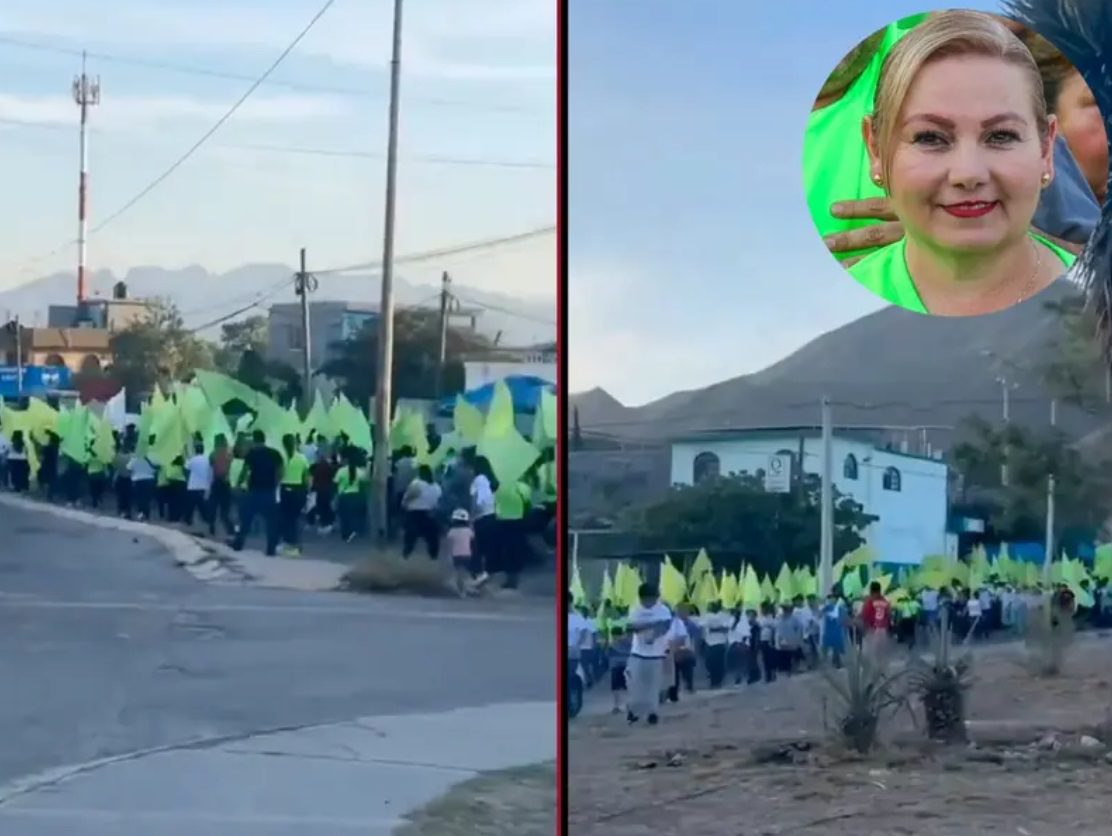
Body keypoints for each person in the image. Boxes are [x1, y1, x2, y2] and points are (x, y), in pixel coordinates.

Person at [809, 12, 1098, 271]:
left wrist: (999, 239)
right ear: (873, 145)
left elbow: (1098, 269)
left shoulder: (963, 64)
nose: (967, 173)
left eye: (999, 136)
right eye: (929, 137)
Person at [626, 582, 672, 726]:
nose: (647, 603)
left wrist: (654, 635)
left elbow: (665, 626)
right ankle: (634, 710)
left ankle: (653, 713)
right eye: (645, 600)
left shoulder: (662, 610)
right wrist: (651, 625)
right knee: (636, 685)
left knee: (653, 686)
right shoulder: (635, 609)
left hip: (656, 654)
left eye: (650, 600)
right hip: (637, 653)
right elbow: (631, 627)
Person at [232, 430, 283, 556]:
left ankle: (239, 544)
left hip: (254, 491)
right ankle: (271, 549)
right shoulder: (275, 454)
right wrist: (275, 484)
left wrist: (238, 484)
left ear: (255, 440)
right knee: (271, 522)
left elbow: (245, 471)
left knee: (246, 518)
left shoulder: (252, 454)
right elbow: (280, 471)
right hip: (269, 491)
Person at [401, 464, 442, 559]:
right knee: (432, 538)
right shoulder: (436, 486)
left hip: (414, 513)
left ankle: (406, 555)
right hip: (430, 513)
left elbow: (408, 496)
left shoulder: (416, 484)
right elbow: (438, 500)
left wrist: (403, 505)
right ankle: (433, 557)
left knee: (410, 537)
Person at [278, 434, 310, 556]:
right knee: (295, 517)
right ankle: (296, 543)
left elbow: (279, 474)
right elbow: (306, 477)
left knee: (286, 518)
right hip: (299, 489)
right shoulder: (302, 458)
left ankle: (290, 543)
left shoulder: (282, 458)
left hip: (285, 488)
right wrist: (306, 491)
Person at [469, 456, 498, 587]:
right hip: (491, 515)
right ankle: (485, 574)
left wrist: (471, 515)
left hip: (480, 517)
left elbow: (478, 500)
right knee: (485, 547)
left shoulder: (478, 480)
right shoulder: (489, 479)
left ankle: (479, 574)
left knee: (475, 548)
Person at [334, 447, 368, 542]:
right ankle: (356, 532)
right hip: (356, 496)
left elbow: (335, 483)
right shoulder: (360, 471)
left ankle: (346, 535)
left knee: (345, 518)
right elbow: (364, 484)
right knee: (355, 516)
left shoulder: (341, 471)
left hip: (344, 497)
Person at [699, 601, 732, 688]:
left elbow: (727, 628)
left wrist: (713, 629)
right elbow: (702, 625)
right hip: (710, 643)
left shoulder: (723, 615)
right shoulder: (708, 616)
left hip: (720, 642)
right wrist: (718, 628)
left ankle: (718, 682)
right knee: (711, 664)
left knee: (719, 663)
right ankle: (714, 682)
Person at [207, 434, 235, 537]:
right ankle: (230, 529)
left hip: (216, 482)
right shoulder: (229, 454)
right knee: (225, 509)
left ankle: (211, 525)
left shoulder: (213, 454)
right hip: (226, 482)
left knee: (213, 506)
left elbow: (211, 465)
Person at [183, 439, 213, 531]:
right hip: (204, 487)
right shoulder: (208, 460)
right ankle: (209, 523)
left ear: (196, 450)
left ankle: (188, 524)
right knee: (204, 508)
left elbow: (186, 469)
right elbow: (211, 473)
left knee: (190, 508)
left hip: (192, 486)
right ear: (203, 450)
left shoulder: (192, 460)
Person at [445, 508, 475, 596]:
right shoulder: (469, 531)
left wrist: (449, 555)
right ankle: (465, 589)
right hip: (467, 555)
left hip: (456, 555)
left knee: (459, 573)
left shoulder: (452, 531)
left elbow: (449, 544)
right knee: (464, 573)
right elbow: (473, 538)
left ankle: (461, 591)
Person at [860, 581, 892, 651]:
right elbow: (889, 615)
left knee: (871, 654)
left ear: (871, 590)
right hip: (883, 630)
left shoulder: (869, 601)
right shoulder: (885, 601)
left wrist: (863, 627)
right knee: (881, 653)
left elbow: (864, 615)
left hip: (872, 630)